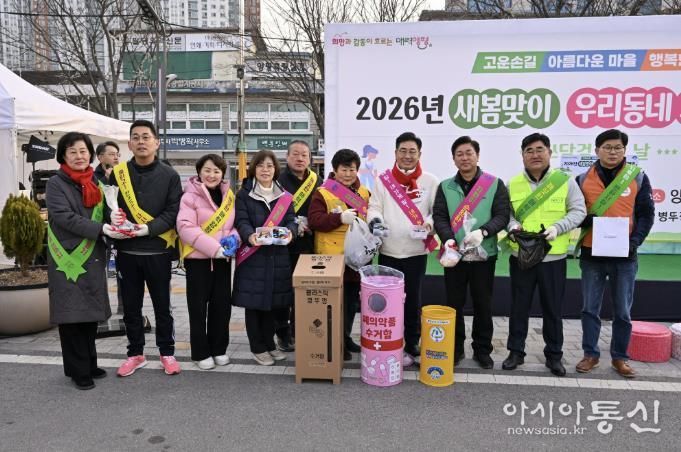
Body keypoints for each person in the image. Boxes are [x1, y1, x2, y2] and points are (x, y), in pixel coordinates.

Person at [45, 131, 127, 389]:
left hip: (92, 255)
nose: (79, 156)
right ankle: (77, 370)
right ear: (63, 156)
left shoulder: (95, 182)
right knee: (72, 315)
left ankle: (90, 362)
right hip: (67, 258)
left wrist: (113, 220)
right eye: (72, 152)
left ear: (90, 154)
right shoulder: (56, 184)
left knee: (90, 314)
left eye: (83, 151)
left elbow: (103, 214)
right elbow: (63, 217)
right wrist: (101, 229)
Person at [503, 133, 586, 377]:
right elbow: (506, 213)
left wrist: (558, 228)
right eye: (529, 150)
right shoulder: (513, 183)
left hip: (553, 258)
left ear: (549, 152)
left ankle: (554, 356)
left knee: (552, 309)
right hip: (522, 256)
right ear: (522, 155)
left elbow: (579, 210)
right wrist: (512, 226)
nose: (535, 155)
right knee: (519, 307)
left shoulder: (565, 181)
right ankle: (515, 352)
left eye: (540, 149)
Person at [575, 129, 654, 378]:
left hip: (625, 257)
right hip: (592, 254)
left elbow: (646, 214)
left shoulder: (637, 176)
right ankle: (590, 354)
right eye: (607, 147)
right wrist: (585, 220)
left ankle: (620, 357)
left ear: (624, 150)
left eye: (618, 147)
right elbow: (574, 212)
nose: (613, 152)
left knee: (623, 311)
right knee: (590, 308)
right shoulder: (582, 179)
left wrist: (635, 242)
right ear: (596, 150)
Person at [109, 119, 183, 377]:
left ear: (156, 143)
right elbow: (109, 206)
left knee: (163, 306)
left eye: (146, 137)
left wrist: (148, 228)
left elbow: (173, 210)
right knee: (131, 307)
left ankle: (167, 353)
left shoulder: (170, 175)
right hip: (127, 252)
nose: (141, 142)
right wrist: (112, 217)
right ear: (129, 144)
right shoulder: (118, 173)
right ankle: (135, 354)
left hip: (158, 251)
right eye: (136, 137)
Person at [432, 136, 510, 369]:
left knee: (482, 304)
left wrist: (484, 232)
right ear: (453, 158)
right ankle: (455, 348)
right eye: (459, 154)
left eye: (469, 153)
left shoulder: (494, 184)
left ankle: (482, 350)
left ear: (477, 156)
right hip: (454, 256)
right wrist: (448, 239)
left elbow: (502, 216)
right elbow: (440, 216)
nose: (464, 158)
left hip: (484, 255)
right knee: (453, 304)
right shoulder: (445, 186)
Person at [367, 132, 439, 359]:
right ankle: (390, 339)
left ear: (420, 154)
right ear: (396, 153)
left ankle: (412, 341)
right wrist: (375, 220)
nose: (408, 156)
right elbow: (374, 206)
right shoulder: (383, 180)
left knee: (413, 299)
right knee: (389, 300)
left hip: (416, 251)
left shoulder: (430, 181)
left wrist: (429, 224)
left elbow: (436, 212)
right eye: (403, 151)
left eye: (412, 151)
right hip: (389, 250)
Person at [232, 150, 296, 366]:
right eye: (260, 165)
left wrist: (291, 232)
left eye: (269, 166)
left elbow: (291, 220)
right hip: (254, 257)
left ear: (275, 169)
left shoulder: (284, 195)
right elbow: (241, 220)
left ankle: (269, 344)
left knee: (272, 304)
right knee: (254, 305)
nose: (265, 170)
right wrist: (249, 235)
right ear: (254, 169)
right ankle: (258, 348)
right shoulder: (244, 194)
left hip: (278, 257)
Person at [177, 154, 240, 370]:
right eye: (207, 170)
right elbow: (185, 227)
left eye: (216, 171)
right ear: (199, 172)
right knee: (198, 308)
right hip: (199, 261)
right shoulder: (189, 196)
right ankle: (200, 352)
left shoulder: (228, 195)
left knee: (221, 306)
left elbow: (234, 225)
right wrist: (215, 249)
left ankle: (219, 349)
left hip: (223, 260)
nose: (212, 175)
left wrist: (234, 240)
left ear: (222, 174)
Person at [308, 148, 370, 361]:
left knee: (351, 303)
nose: (348, 174)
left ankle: (345, 336)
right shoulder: (323, 193)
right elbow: (314, 221)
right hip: (331, 258)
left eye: (352, 169)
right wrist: (339, 219)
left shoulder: (364, 192)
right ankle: (334, 343)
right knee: (333, 304)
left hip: (355, 258)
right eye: (344, 169)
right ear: (335, 170)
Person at [274, 140, 321, 352]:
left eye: (304, 155)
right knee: (283, 290)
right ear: (287, 156)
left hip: (309, 245)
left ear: (310, 158)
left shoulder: (317, 181)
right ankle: (282, 333)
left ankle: (298, 330)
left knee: (304, 291)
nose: (300, 158)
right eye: (295, 154)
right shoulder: (277, 181)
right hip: (283, 246)